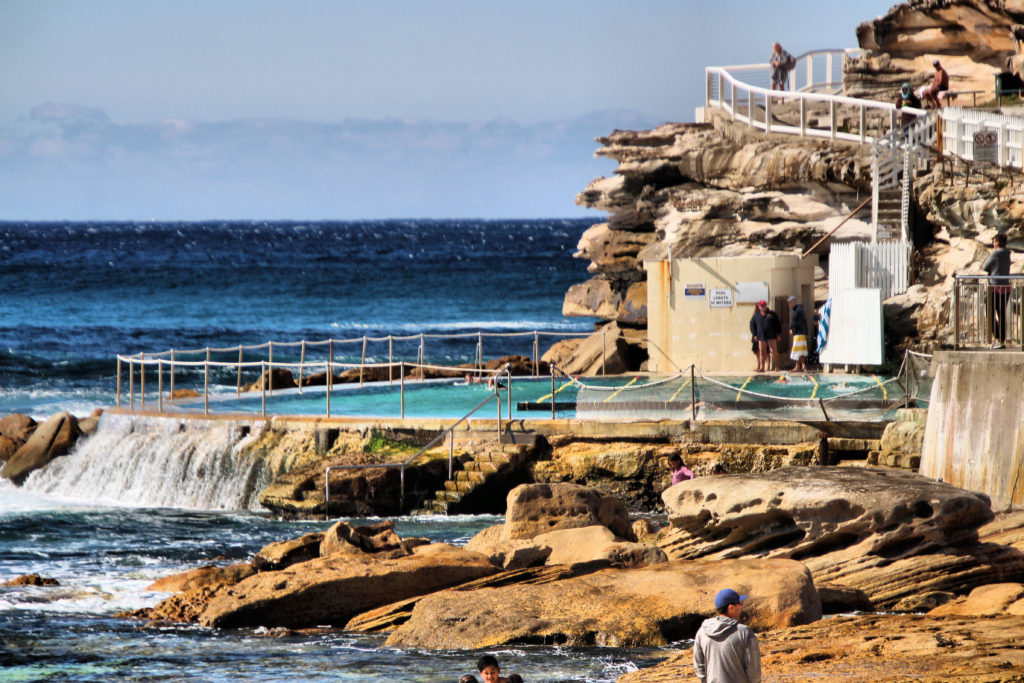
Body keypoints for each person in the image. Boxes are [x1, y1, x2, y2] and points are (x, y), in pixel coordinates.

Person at [693, 588, 762, 683]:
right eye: (739, 603)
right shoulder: (744, 632)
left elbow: (699, 666)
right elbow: (753, 669)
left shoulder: (702, 632)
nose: (741, 606)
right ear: (731, 607)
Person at [983, 233, 1012, 349]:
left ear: (998, 242)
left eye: (994, 241)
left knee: (989, 312)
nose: (993, 243)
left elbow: (985, 267)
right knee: (1002, 313)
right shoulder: (1007, 253)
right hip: (1005, 287)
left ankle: (996, 337)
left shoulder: (996, 253)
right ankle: (1002, 340)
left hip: (994, 286)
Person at [749, 300, 782, 372]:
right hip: (761, 336)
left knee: (773, 350)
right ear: (759, 307)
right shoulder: (756, 315)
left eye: (765, 305)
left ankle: (776, 367)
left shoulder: (772, 314)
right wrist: (754, 334)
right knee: (762, 351)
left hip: (771, 335)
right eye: (762, 305)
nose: (764, 306)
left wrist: (778, 334)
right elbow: (752, 325)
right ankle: (762, 367)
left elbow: (778, 324)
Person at [787, 296, 808, 372]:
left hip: (799, 333)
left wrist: (793, 329)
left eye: (790, 302)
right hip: (801, 332)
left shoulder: (798, 310)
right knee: (801, 349)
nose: (789, 304)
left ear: (795, 302)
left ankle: (798, 366)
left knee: (797, 349)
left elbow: (796, 322)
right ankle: (803, 366)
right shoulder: (798, 310)